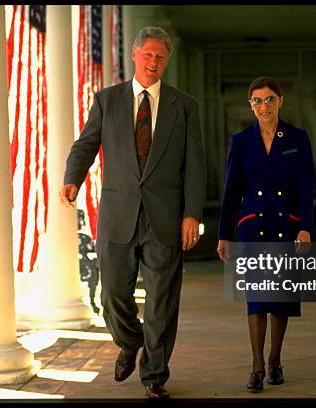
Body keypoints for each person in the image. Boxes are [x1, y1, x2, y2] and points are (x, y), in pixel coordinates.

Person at [59, 26, 206, 399]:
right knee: (112, 295)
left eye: (160, 57)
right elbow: (86, 143)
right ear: (135, 56)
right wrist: (72, 178)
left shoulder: (184, 106)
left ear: (166, 61)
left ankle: (154, 377)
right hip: (118, 215)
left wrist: (192, 214)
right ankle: (130, 339)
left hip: (165, 218)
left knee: (161, 301)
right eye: (148, 55)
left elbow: (196, 165)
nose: (153, 62)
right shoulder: (107, 100)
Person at [217, 76, 314, 392]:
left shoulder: (297, 138)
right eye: (257, 101)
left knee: (280, 299)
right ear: (251, 105)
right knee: (256, 298)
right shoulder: (242, 140)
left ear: (280, 101)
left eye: (269, 99)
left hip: (286, 225)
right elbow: (231, 190)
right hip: (252, 227)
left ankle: (275, 359)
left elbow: (305, 187)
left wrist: (305, 228)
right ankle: (257, 365)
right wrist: (223, 234)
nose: (263, 106)